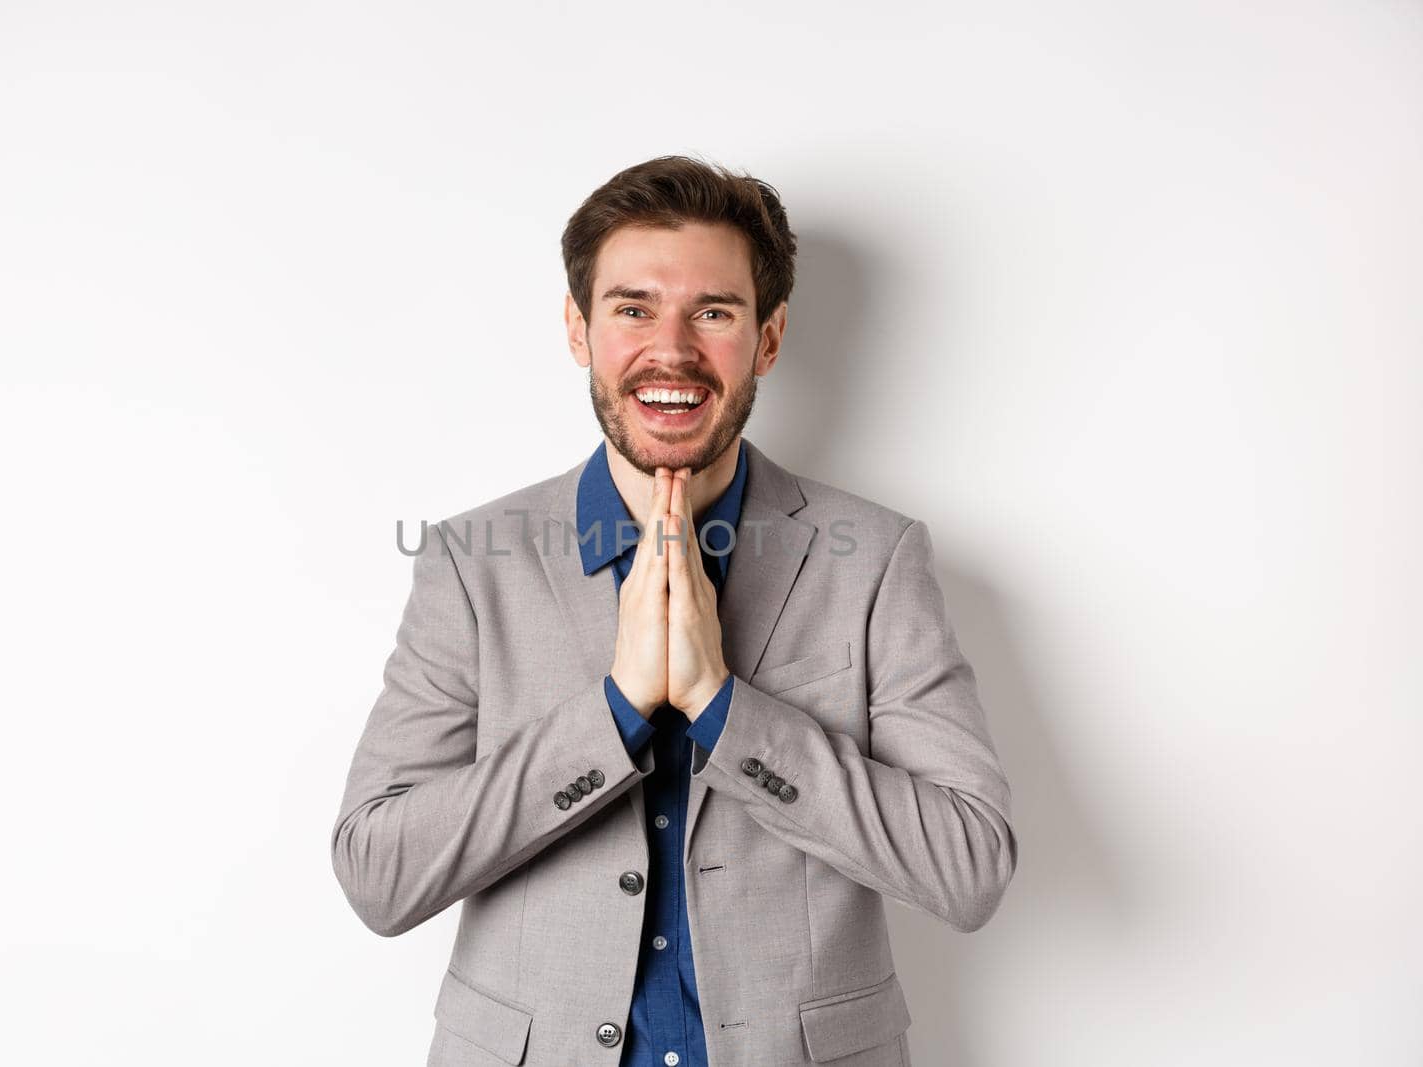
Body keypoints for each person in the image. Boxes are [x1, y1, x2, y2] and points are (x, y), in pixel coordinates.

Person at [330, 155, 1017, 1066]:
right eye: (633, 308)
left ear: (768, 339)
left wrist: (724, 707)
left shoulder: (878, 559)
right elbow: (379, 874)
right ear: (579, 328)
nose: (673, 349)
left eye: (714, 312)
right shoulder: (468, 565)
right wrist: (612, 711)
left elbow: (969, 868)